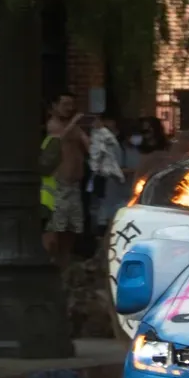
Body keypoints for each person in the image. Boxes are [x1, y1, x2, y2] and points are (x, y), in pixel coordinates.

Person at [42, 92, 89, 264]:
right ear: (54, 106)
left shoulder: (75, 128)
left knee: (72, 228)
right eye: (65, 105)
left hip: (74, 184)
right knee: (56, 227)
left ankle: (65, 262)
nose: (69, 109)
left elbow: (88, 145)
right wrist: (75, 122)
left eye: (71, 105)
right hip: (58, 184)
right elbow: (60, 138)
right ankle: (49, 261)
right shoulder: (53, 125)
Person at [85, 113, 125, 231]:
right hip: (101, 176)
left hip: (112, 179)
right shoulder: (97, 136)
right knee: (100, 205)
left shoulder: (113, 140)